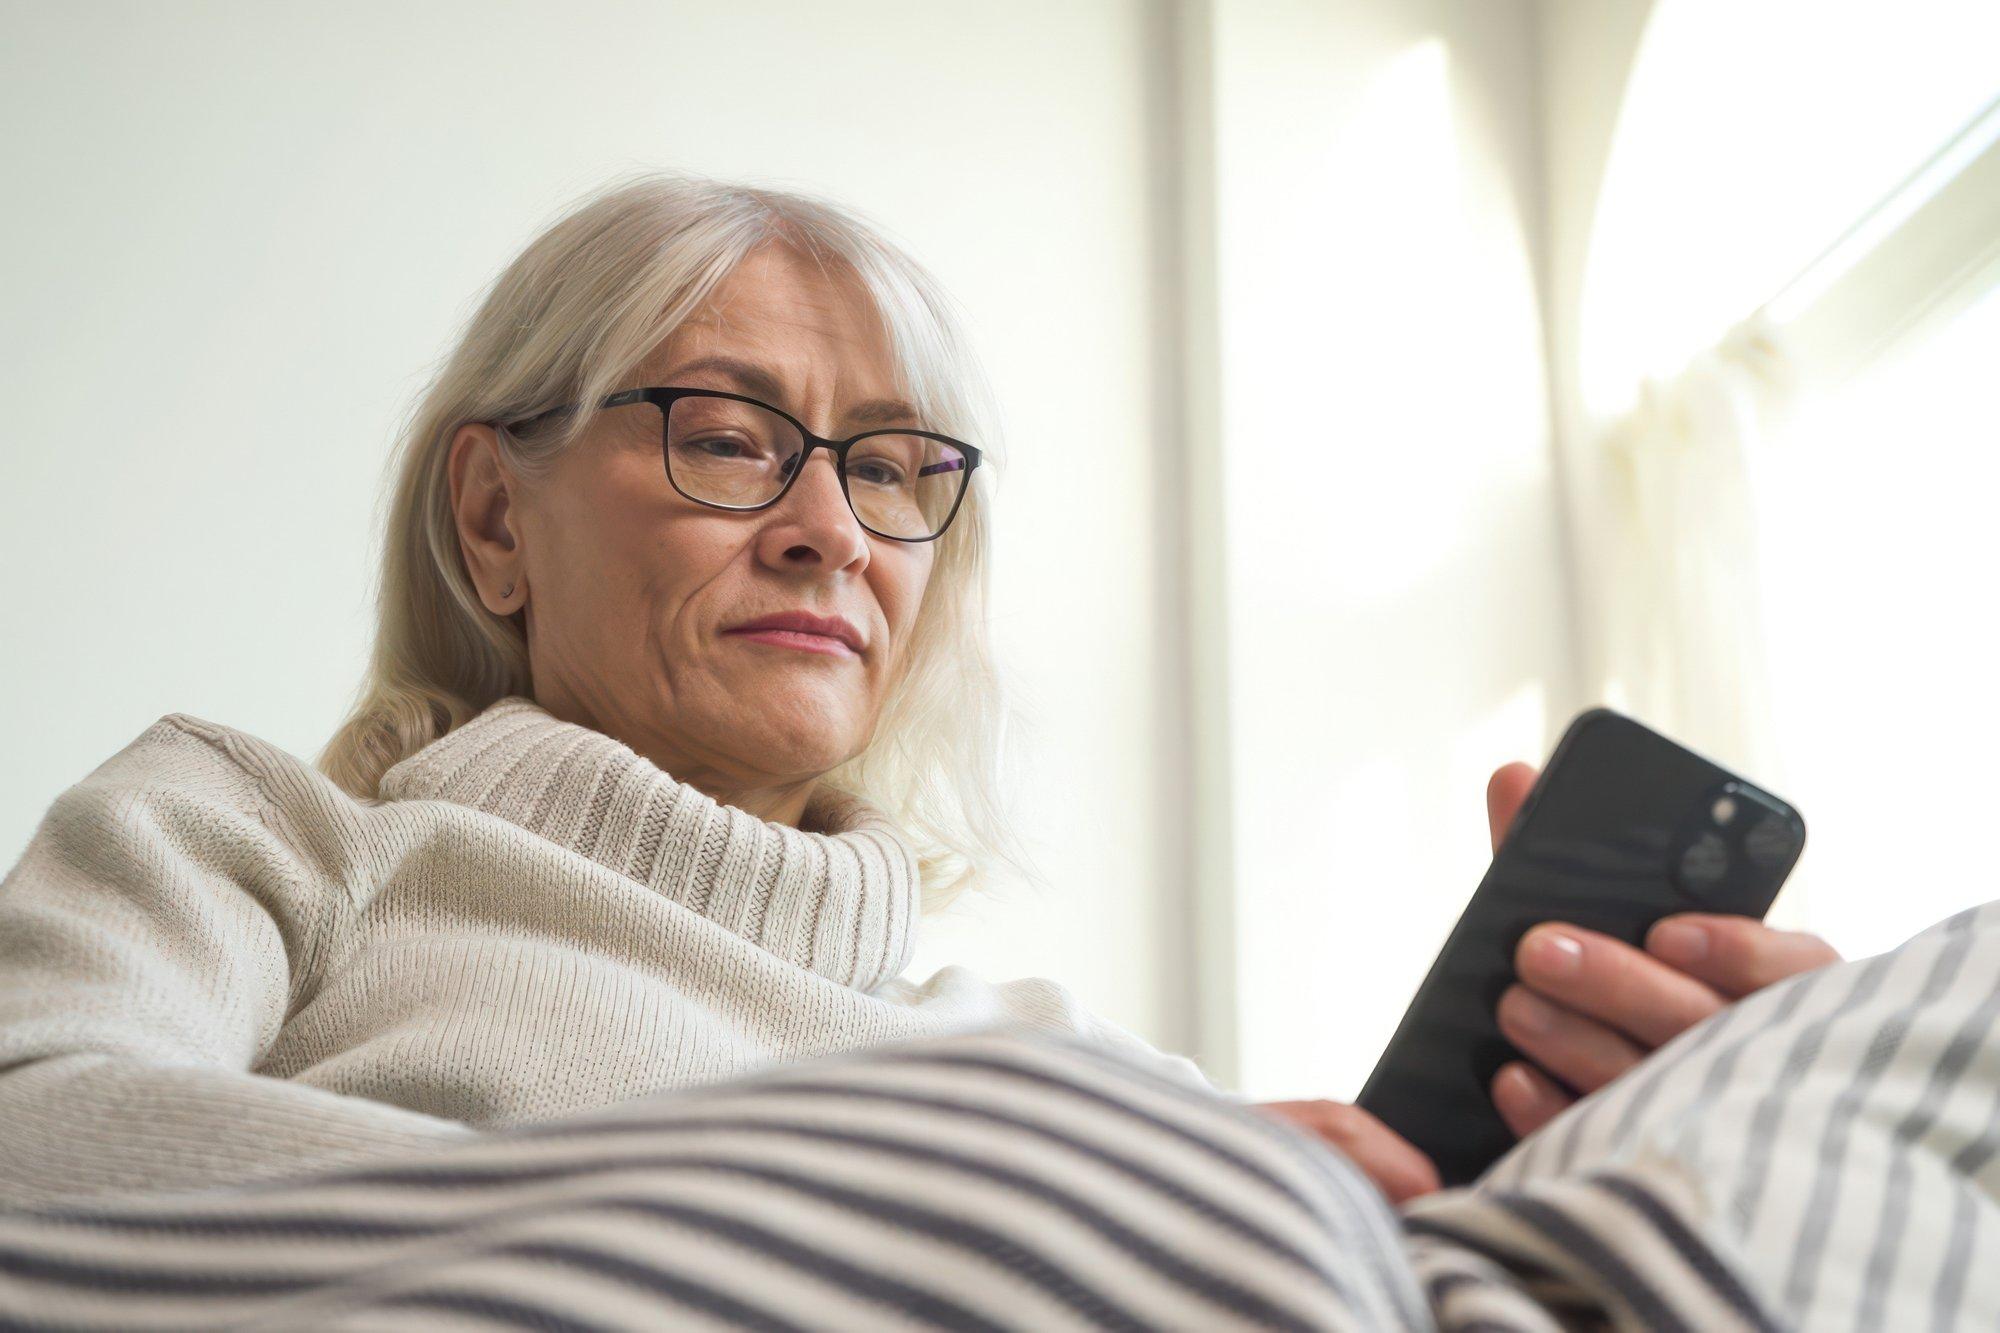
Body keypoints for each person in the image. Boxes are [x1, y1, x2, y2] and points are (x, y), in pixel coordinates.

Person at [0, 172, 1834, 1214]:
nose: (830, 532)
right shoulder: (256, 834)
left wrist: (1671, 1151)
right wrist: (952, 1225)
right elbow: (42, 1154)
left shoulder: (1063, 1072)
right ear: (495, 516)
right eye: (729, 437)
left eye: (891, 472)